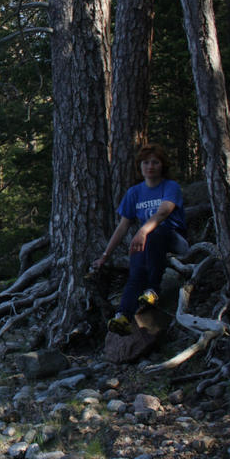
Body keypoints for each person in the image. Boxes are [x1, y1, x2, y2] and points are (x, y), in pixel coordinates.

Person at [93, 143, 189, 335]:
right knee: (136, 269)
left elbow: (163, 212)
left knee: (154, 234)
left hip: (174, 239)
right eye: (146, 163)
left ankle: (152, 290)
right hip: (147, 241)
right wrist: (105, 255)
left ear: (162, 166)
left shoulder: (170, 187)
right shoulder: (134, 192)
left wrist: (143, 231)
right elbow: (122, 227)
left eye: (155, 162)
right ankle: (123, 316)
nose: (150, 166)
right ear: (140, 166)